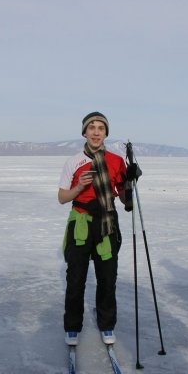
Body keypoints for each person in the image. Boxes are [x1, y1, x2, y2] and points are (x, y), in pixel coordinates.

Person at [58, 111, 128, 346]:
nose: (96, 132)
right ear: (85, 132)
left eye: (101, 128)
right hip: (81, 224)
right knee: (75, 278)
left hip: (107, 225)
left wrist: (131, 182)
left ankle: (107, 324)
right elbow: (62, 197)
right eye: (92, 127)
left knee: (107, 278)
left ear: (106, 132)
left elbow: (125, 199)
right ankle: (72, 326)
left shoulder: (117, 161)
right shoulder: (74, 162)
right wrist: (79, 187)